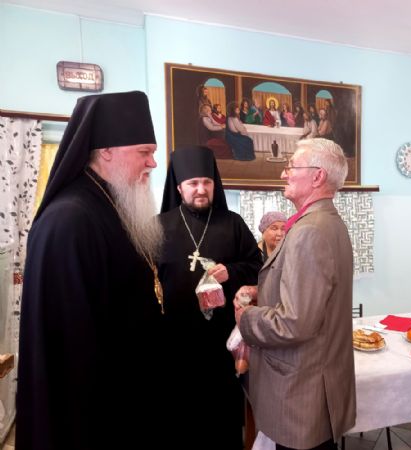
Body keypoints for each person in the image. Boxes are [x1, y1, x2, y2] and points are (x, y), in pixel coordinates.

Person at [17, 91, 167, 450]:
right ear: (107, 151)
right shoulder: (70, 220)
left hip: (123, 403)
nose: (153, 163)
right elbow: (69, 350)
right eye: (144, 152)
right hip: (92, 416)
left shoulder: (112, 206)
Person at [234, 138, 356, 450]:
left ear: (317, 176)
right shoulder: (327, 222)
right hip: (314, 383)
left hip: (302, 391)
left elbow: (294, 322)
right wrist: (263, 291)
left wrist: (246, 317)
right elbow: (313, 293)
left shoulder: (309, 232)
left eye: (291, 167)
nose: (283, 174)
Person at [158, 145, 263, 449]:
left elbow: (258, 268)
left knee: (222, 421)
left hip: (222, 343)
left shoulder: (233, 223)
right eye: (193, 183)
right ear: (179, 187)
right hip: (174, 342)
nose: (201, 189)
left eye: (207, 182)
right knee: (179, 420)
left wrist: (232, 271)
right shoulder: (158, 226)